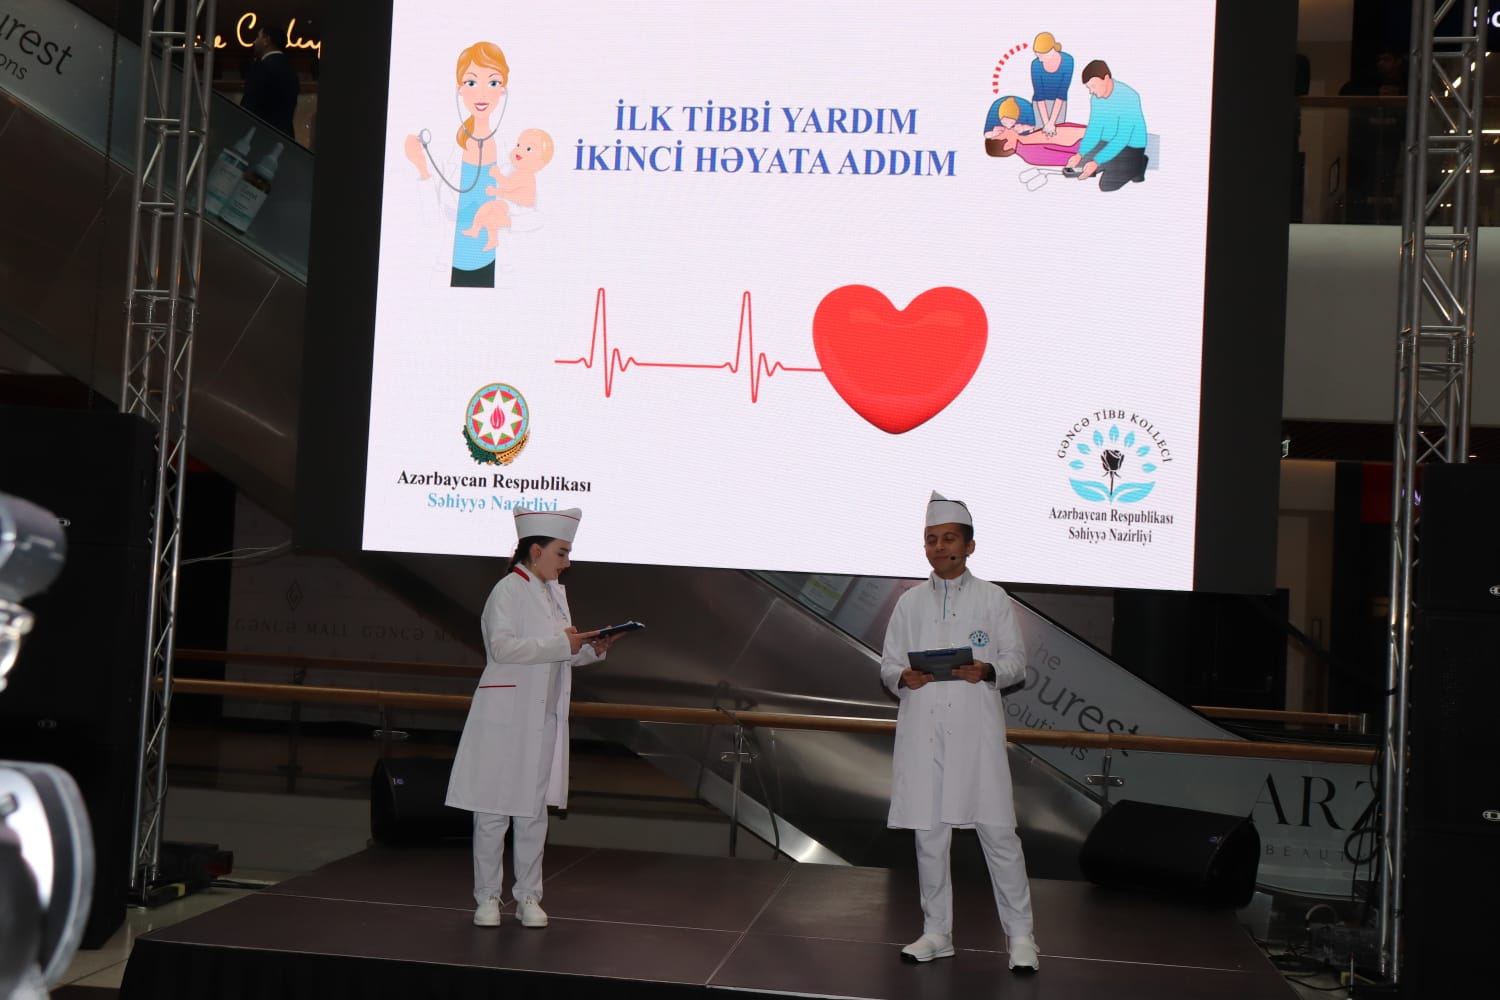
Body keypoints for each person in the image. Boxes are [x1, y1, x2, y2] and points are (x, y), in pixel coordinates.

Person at [880, 492, 1039, 972]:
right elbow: (889, 663)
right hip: (924, 732)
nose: (938, 547)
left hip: (975, 736)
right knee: (929, 838)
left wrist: (988, 669)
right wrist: (900, 677)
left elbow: (1016, 664)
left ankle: (1022, 937)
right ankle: (936, 932)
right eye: (931, 540)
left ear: (969, 546)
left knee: (999, 834)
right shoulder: (908, 603)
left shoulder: (993, 599)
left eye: (948, 539)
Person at [445, 507, 625, 928]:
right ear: (537, 550)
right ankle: (487, 897)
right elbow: (503, 648)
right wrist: (562, 644)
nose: (567, 562)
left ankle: (528, 896)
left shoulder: (553, 594)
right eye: (562, 553)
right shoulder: (507, 590)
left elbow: (557, 654)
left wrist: (589, 650)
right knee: (492, 809)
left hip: (542, 720)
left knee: (531, 811)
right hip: (505, 717)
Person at [402, 41, 511, 287]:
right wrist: (420, 166)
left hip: (498, 267)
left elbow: (531, 215)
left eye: (492, 82)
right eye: (471, 82)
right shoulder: (443, 149)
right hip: (451, 266)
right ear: (459, 89)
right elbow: (428, 220)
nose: (482, 94)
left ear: (502, 90)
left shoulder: (513, 151)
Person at [1066, 60, 1149, 192]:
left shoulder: (1129, 97)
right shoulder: (1095, 99)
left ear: (1106, 78)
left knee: (1106, 185)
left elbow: (1122, 138)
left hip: (1130, 146)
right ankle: (1111, 163)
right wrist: (1080, 154)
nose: (1091, 91)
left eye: (1093, 86)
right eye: (1089, 88)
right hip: (1107, 141)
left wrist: (1097, 161)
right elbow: (1094, 130)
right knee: (1075, 170)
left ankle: (1139, 163)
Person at [239, 28, 300, 138]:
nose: (255, 41)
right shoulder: (291, 71)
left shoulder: (261, 68)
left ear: (267, 40)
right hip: (285, 137)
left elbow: (249, 106)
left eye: (258, 37)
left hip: (261, 137)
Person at [1029, 32, 1074, 137]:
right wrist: (1046, 123)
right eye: (1037, 56)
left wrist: (1052, 122)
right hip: (1040, 104)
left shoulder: (1068, 61)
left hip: (1059, 103)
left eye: (1042, 56)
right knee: (1039, 134)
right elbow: (1039, 95)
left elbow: (1062, 93)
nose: (1040, 59)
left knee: (1058, 134)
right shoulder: (1035, 65)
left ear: (1051, 51)